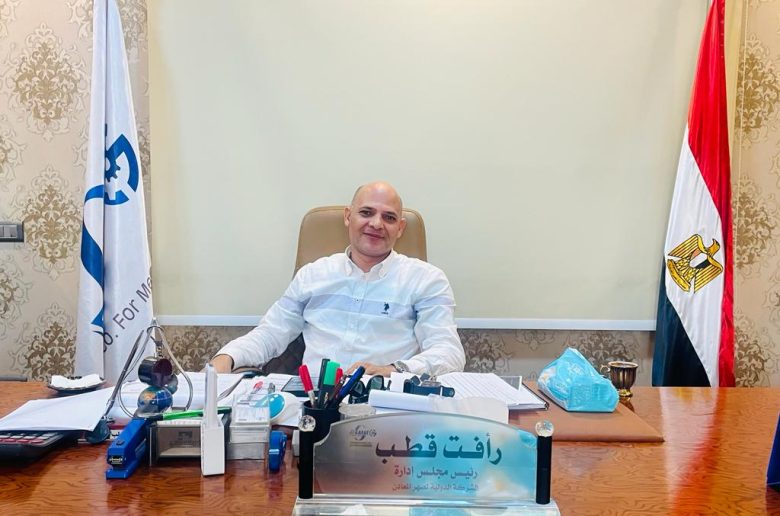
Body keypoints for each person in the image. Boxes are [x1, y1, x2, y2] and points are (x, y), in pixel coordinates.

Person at [210, 181, 465, 377]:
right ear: (348, 217)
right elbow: (270, 333)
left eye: (388, 217)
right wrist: (226, 358)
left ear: (400, 228)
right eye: (366, 212)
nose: (376, 224)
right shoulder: (313, 275)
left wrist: (392, 370)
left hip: (387, 404)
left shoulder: (426, 280)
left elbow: (449, 353)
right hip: (312, 405)